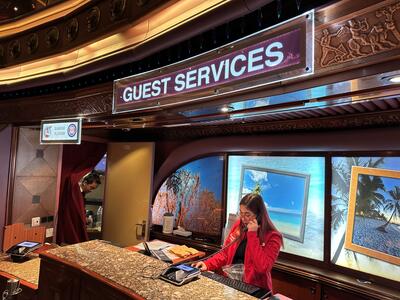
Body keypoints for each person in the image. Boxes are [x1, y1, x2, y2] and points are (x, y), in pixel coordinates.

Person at [192, 193, 282, 292]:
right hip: (232, 284)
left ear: (259, 215)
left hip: (254, 289)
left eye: (247, 214)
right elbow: (225, 253)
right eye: (241, 213)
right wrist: (207, 264)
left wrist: (252, 235)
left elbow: (262, 268)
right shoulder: (239, 226)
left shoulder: (273, 237)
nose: (243, 218)